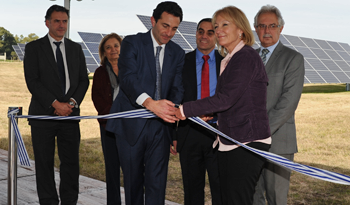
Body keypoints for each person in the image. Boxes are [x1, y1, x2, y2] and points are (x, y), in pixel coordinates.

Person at [175, 6, 271, 205]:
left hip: (246, 142)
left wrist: (184, 110)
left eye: (225, 25)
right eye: (216, 26)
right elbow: (233, 101)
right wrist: (211, 112)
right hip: (232, 141)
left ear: (241, 30)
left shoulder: (245, 56)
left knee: (236, 200)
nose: (218, 30)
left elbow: (225, 98)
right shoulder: (231, 58)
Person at [105, 1, 184, 205]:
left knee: (157, 184)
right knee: (132, 184)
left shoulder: (178, 53)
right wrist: (150, 103)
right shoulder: (132, 43)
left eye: (174, 28)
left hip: (160, 128)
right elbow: (128, 78)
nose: (169, 33)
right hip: (131, 125)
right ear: (153, 21)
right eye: (165, 26)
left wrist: (169, 108)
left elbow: (178, 88)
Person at [23, 4, 89, 205]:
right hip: (43, 116)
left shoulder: (76, 48)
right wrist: (54, 104)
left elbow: (83, 80)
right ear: (47, 23)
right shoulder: (34, 48)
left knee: (70, 164)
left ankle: (69, 201)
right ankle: (49, 201)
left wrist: (70, 103)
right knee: (44, 164)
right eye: (57, 21)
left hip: (70, 115)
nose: (62, 25)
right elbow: (32, 81)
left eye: (65, 21)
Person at [252, 5, 305, 205]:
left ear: (281, 28)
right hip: (248, 142)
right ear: (255, 29)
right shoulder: (248, 57)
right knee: (252, 195)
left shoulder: (293, 59)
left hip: (278, 142)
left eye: (272, 25)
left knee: (276, 198)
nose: (267, 30)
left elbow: (288, 103)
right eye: (262, 26)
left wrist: (259, 131)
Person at [170, 18, 222, 205]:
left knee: (220, 189)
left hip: (219, 134)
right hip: (189, 133)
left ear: (216, 36)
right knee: (192, 190)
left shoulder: (227, 64)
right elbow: (174, 98)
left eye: (210, 32)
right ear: (196, 34)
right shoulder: (182, 62)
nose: (204, 36)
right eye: (201, 31)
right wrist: (173, 133)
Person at [92, 33, 123, 205]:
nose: (113, 50)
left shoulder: (131, 70)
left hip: (131, 127)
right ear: (104, 52)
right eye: (108, 47)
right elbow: (97, 99)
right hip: (109, 127)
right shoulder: (100, 72)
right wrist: (114, 115)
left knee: (133, 170)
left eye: (116, 45)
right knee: (112, 170)